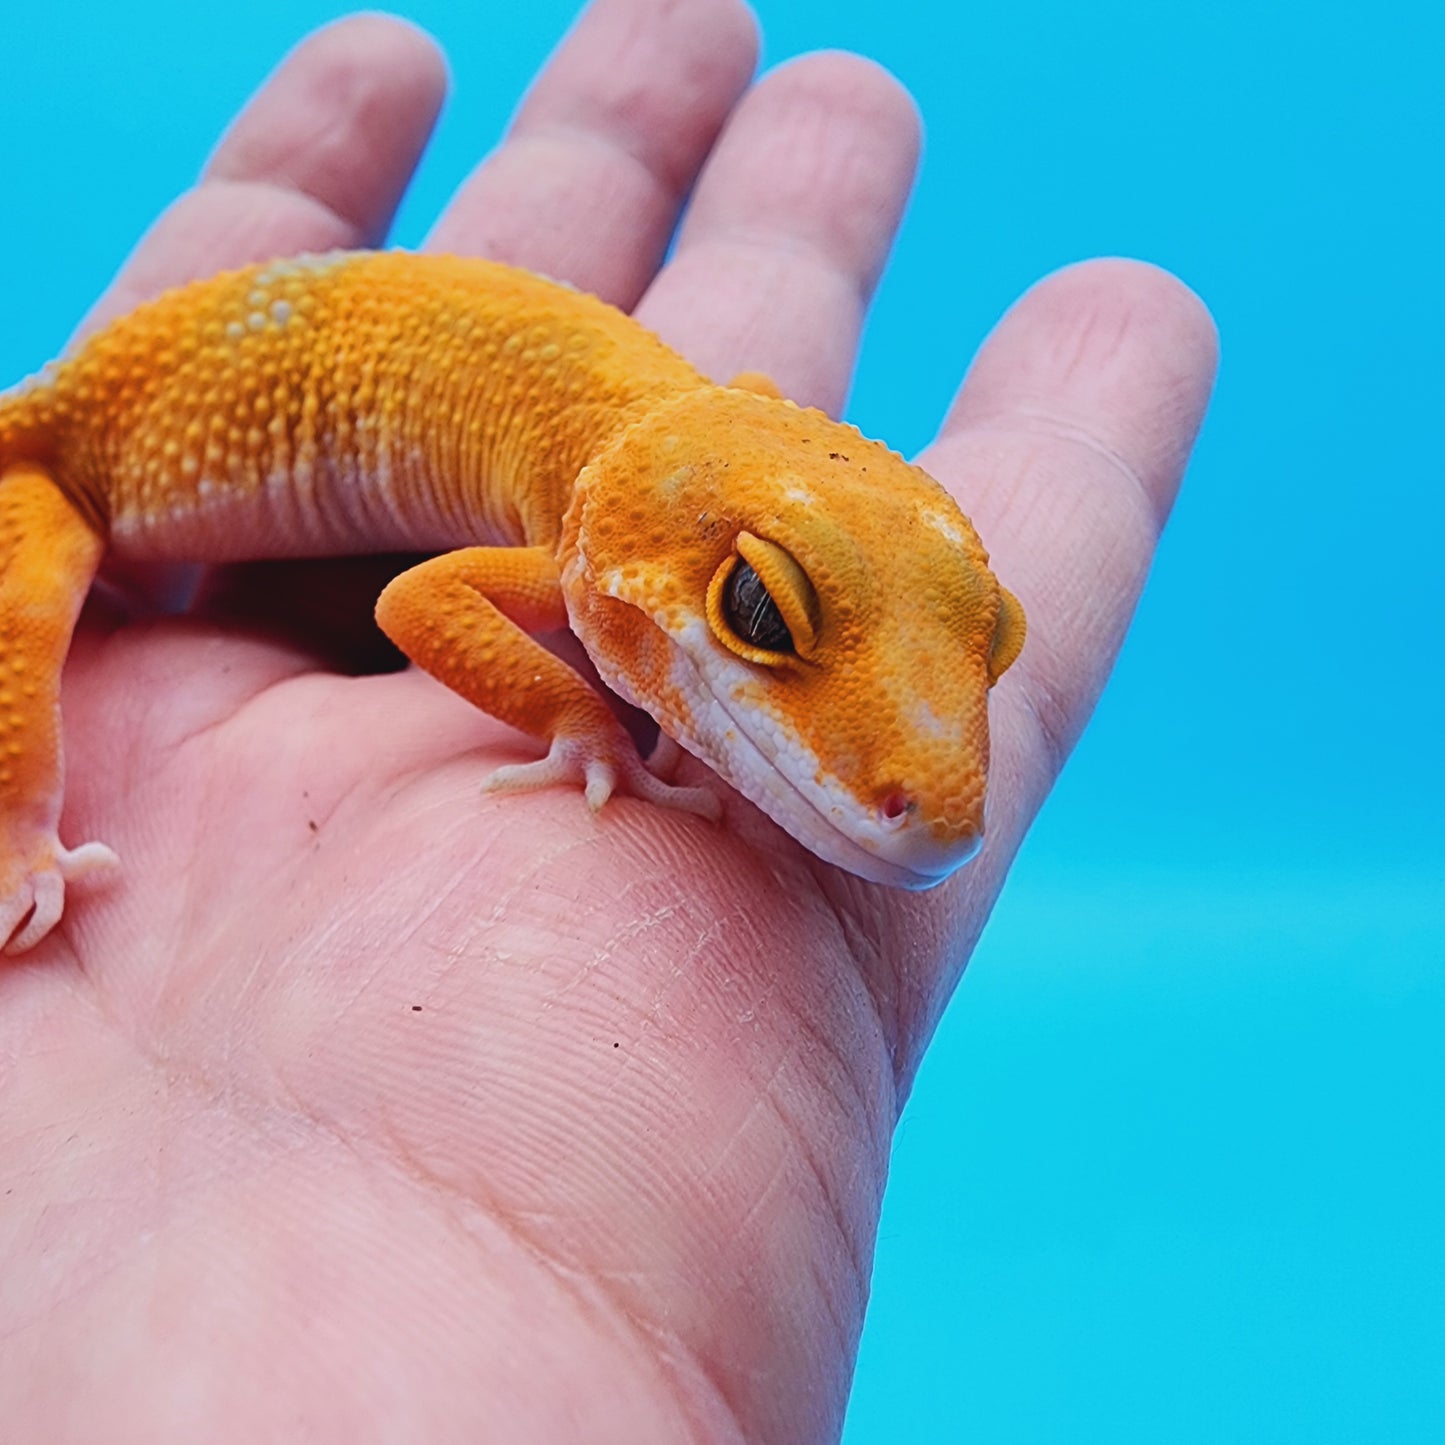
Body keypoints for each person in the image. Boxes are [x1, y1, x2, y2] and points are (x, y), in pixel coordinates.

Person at [0, 0, 1216, 1438]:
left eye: (979, 641)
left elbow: (759, 436)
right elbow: (421, 605)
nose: (932, 783)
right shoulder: (602, 522)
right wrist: (584, 715)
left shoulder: (687, 450)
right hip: (69, 469)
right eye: (763, 621)